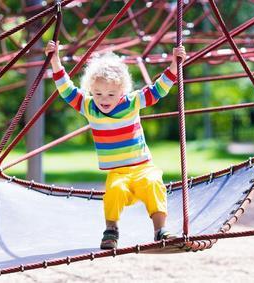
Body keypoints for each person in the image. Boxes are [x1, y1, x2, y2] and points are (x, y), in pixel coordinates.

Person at [45, 40, 186, 249]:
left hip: (142, 168)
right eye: (98, 93)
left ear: (121, 92)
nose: (104, 99)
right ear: (91, 90)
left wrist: (175, 65)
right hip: (118, 172)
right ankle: (111, 229)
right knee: (114, 191)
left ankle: (160, 231)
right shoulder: (89, 107)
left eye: (111, 94)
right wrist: (55, 60)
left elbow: (158, 90)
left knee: (153, 185)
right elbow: (66, 90)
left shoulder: (132, 102)